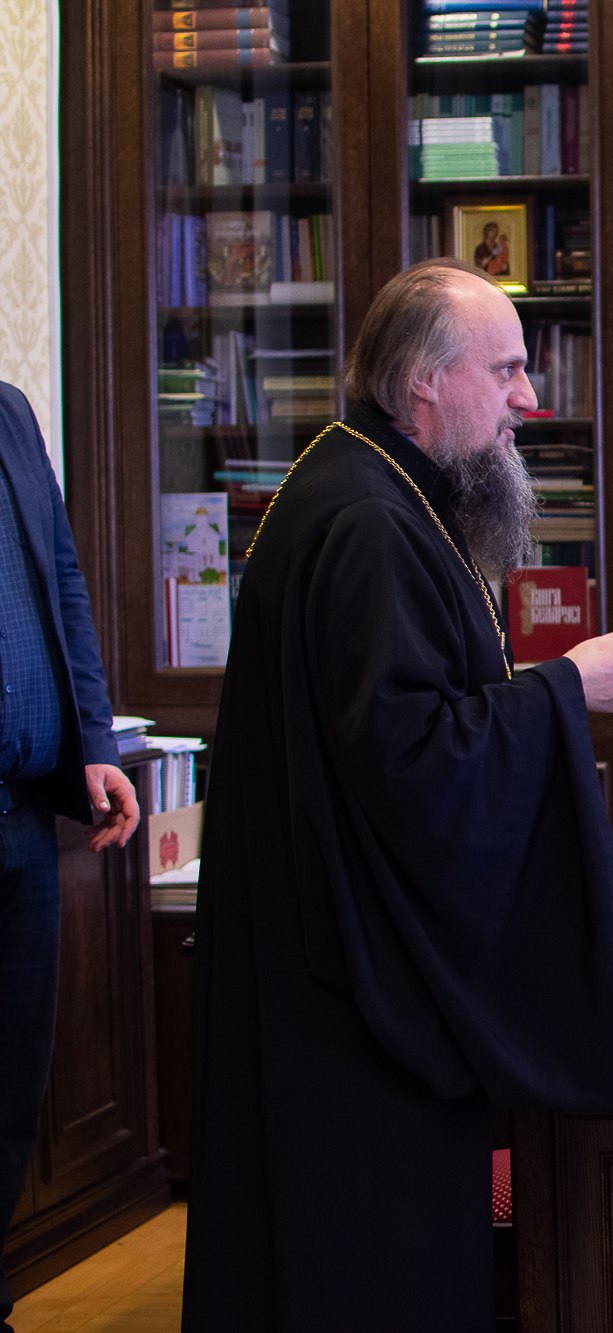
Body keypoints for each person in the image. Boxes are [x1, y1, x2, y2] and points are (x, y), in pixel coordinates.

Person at [182, 258, 613, 1332]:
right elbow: (411, 761)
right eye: (505, 371)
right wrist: (567, 687)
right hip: (351, 1011)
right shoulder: (369, 519)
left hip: (318, 967)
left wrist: (547, 686)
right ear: (423, 382)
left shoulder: (369, 485)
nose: (527, 399)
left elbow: (400, 724)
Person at [0, 385, 139, 1333]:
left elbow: (60, 578)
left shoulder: (10, 412)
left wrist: (93, 740)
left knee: (11, 1086)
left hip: (22, 814)